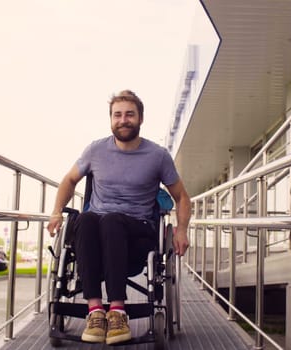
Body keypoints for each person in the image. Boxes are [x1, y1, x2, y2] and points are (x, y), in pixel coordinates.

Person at [47, 89, 191, 345]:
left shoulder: (157, 156)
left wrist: (181, 229)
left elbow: (181, 196)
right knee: (88, 219)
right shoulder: (95, 150)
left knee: (111, 219)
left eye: (129, 115)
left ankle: (117, 311)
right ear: (111, 119)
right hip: (95, 234)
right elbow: (69, 180)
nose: (123, 120)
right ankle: (95, 312)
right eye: (117, 115)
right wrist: (57, 211)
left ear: (140, 119)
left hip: (137, 233)